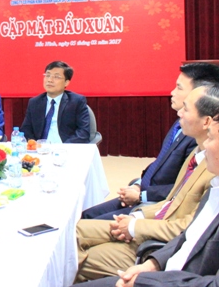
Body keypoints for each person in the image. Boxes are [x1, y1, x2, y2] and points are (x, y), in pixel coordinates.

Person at [72, 86, 219, 287]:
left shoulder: (211, 171)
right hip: (156, 241)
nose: (179, 113)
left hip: (159, 251)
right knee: (69, 234)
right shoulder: (199, 156)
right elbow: (173, 204)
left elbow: (186, 230)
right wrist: (136, 218)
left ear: (207, 122)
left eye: (186, 108)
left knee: (72, 257)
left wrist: (135, 227)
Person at [82, 63, 219, 220]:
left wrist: (141, 196)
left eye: (179, 88)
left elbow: (182, 188)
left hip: (156, 204)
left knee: (86, 224)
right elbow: (160, 163)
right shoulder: (180, 123)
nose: (172, 92)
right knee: (86, 215)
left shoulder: (199, 137)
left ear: (199, 93)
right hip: (143, 192)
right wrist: (138, 184)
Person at [21, 60, 90, 143]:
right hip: (41, 148)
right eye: (47, 75)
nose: (50, 80)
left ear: (66, 82)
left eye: (56, 77)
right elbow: (26, 129)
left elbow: (83, 132)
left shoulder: (76, 101)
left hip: (66, 147)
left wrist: (63, 147)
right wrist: (34, 144)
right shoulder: (34, 102)